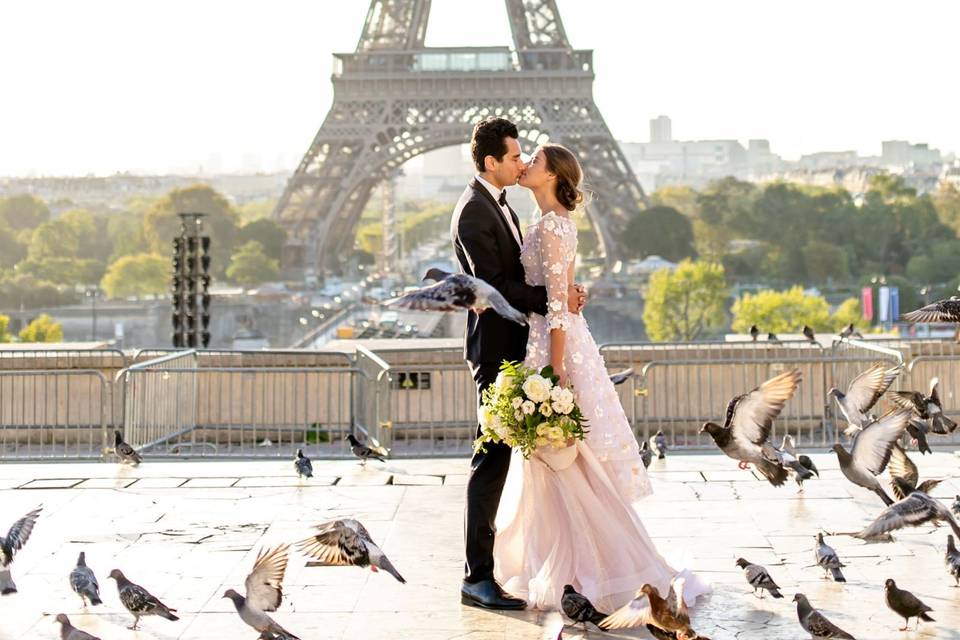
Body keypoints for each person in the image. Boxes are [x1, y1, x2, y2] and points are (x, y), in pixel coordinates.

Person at [492, 142, 709, 612]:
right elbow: (561, 290)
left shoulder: (550, 225)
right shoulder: (553, 223)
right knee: (564, 462)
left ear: (553, 176)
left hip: (553, 348)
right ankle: (578, 566)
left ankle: (588, 567)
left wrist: (553, 370)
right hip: (558, 341)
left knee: (566, 462)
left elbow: (554, 304)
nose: (527, 164)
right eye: (523, 158)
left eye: (536, 161)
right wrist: (572, 297)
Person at [452, 117, 587, 610]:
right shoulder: (473, 212)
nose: (521, 161)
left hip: (518, 348)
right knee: (490, 461)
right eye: (514, 156)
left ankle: (517, 566)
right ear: (491, 161)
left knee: (504, 459)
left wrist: (563, 294)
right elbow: (494, 288)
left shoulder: (498, 205)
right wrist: (555, 297)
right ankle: (477, 577)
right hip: (496, 352)